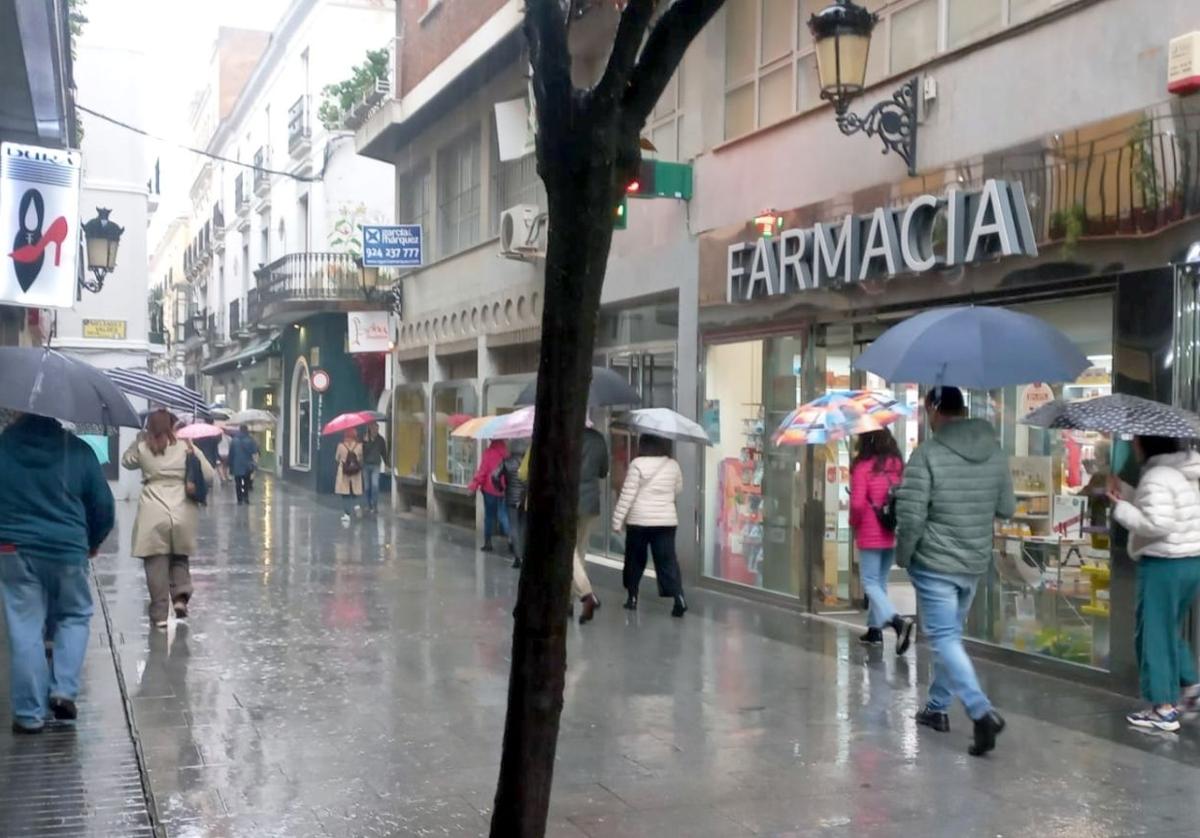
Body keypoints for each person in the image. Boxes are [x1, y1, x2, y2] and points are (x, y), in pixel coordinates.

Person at [895, 386, 1014, 757]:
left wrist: (904, 555)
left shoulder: (927, 454)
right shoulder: (994, 452)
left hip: (935, 563)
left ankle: (981, 712)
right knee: (951, 639)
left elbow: (912, 517)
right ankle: (936, 708)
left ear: (933, 408)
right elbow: (1007, 507)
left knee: (945, 638)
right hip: (973, 562)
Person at [0, 413, 115, 733]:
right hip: (67, 549)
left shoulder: (3, 446)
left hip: (13, 549)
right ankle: (63, 689)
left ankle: (28, 714)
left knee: (24, 628)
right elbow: (103, 506)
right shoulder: (77, 450)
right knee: (74, 615)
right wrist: (92, 541)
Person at [1107, 435, 1200, 732]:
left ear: (1146, 444)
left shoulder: (1157, 475)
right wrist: (1123, 491)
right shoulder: (1182, 471)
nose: (1133, 446)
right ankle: (1191, 684)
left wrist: (1119, 508)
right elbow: (1161, 508)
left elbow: (1158, 523)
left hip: (1164, 563)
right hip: (1190, 560)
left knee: (1153, 634)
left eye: (1135, 442)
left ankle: (1162, 708)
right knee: (1167, 627)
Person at [122, 409, 214, 630]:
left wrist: (138, 440)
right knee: (179, 556)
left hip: (153, 511)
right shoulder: (186, 446)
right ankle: (181, 597)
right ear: (173, 425)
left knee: (156, 563)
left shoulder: (144, 447)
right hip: (182, 509)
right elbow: (209, 474)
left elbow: (127, 461)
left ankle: (160, 614)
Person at [849, 429, 915, 651]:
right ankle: (875, 630)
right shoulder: (897, 465)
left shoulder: (862, 467)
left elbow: (858, 505)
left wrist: (853, 522)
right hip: (890, 529)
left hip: (870, 531)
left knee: (869, 582)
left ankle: (897, 622)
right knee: (880, 581)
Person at [611, 434, 688, 617]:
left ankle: (632, 598)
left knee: (635, 560)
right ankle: (679, 598)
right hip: (666, 522)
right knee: (667, 560)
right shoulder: (673, 465)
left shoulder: (637, 464)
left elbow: (627, 496)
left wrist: (617, 520)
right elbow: (678, 490)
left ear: (643, 445)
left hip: (639, 521)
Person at [574, 426, 608, 624]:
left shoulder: (566, 436)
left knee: (567, 552)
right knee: (580, 551)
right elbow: (604, 471)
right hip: (590, 501)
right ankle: (569, 602)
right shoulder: (598, 438)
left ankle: (587, 595)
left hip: (569, 500)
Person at [468, 439, 510, 552]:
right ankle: (512, 541)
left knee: (489, 517)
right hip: (504, 490)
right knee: (504, 516)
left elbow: (483, 472)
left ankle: (488, 543)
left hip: (489, 490)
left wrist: (474, 485)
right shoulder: (507, 453)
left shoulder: (488, 452)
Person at [500, 442, 529, 569]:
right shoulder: (527, 463)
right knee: (523, 527)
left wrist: (501, 487)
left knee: (514, 527)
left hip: (511, 499)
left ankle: (518, 558)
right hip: (524, 499)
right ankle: (523, 554)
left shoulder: (507, 462)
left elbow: (494, 476)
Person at [335, 429, 365, 525]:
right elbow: (361, 458)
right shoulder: (359, 446)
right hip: (355, 471)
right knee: (354, 491)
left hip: (344, 472)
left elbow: (337, 458)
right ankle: (356, 506)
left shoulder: (341, 446)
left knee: (345, 493)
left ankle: (347, 515)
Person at [227, 425, 259, 505]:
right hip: (247, 465)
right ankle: (246, 497)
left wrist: (230, 465)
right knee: (246, 482)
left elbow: (231, 454)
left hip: (236, 464)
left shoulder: (234, 440)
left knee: (238, 483)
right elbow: (254, 452)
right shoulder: (251, 440)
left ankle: (239, 499)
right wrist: (255, 464)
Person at [361, 422, 389, 514]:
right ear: (370, 429)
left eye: (377, 429)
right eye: (373, 429)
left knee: (375, 485)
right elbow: (362, 452)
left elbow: (383, 453)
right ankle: (368, 505)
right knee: (367, 487)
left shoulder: (381, 440)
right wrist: (365, 443)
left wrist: (387, 463)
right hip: (365, 465)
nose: (375, 431)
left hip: (376, 465)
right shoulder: (365, 439)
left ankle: (375, 505)